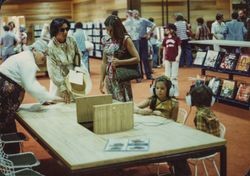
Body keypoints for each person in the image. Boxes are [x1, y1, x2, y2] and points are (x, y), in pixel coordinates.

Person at [0, 39, 60, 154]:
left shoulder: (25, 57)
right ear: (34, 50)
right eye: (44, 53)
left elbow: (28, 84)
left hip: (4, 91)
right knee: (6, 127)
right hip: (4, 94)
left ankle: (8, 156)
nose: (45, 57)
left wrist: (43, 99)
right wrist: (51, 97)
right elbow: (31, 86)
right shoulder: (28, 61)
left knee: (6, 126)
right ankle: (10, 158)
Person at [134, 75, 191, 176]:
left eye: (162, 88)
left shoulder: (174, 103)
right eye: (157, 88)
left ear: (169, 90)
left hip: (166, 134)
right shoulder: (152, 99)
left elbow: (173, 123)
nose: (159, 91)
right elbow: (134, 107)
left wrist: (162, 116)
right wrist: (142, 111)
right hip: (152, 130)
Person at [99, 15, 140, 102]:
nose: (108, 32)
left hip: (122, 77)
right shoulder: (106, 40)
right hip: (109, 79)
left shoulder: (125, 39)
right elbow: (104, 62)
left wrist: (120, 62)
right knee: (112, 103)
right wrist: (101, 80)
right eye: (107, 30)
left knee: (124, 104)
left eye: (111, 30)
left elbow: (137, 58)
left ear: (117, 28)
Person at [47, 18, 85, 104]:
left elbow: (77, 54)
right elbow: (53, 71)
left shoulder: (72, 40)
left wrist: (77, 70)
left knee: (77, 102)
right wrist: (63, 89)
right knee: (61, 105)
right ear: (55, 31)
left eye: (67, 29)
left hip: (74, 75)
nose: (65, 32)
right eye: (62, 30)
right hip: (59, 80)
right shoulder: (50, 47)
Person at [133, 9, 156, 80]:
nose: (135, 15)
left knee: (145, 58)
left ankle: (148, 75)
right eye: (134, 14)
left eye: (136, 13)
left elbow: (154, 25)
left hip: (143, 40)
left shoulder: (143, 20)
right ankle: (140, 75)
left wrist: (148, 34)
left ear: (138, 14)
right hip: (135, 41)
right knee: (138, 59)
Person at [161, 24, 181, 97]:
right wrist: (163, 59)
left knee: (174, 77)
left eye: (167, 29)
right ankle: (168, 92)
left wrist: (178, 56)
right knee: (167, 76)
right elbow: (164, 49)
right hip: (167, 59)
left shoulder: (177, 38)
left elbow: (179, 48)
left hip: (175, 59)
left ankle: (175, 93)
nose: (165, 30)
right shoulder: (165, 39)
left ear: (171, 30)